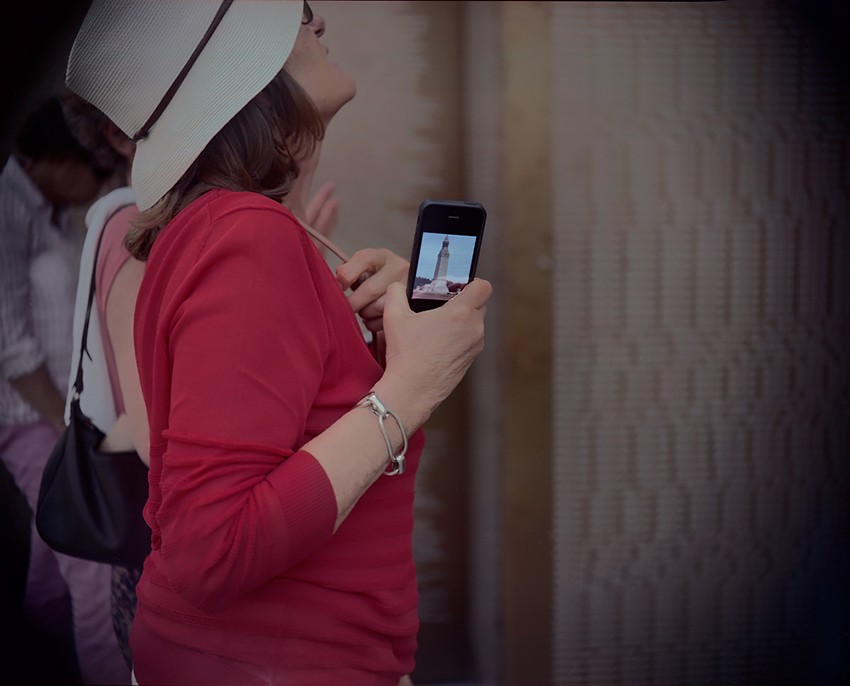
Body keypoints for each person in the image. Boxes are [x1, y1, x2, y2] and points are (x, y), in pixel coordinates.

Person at [66, 2, 492, 684]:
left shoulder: (239, 229)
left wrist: (386, 353)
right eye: (297, 14)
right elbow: (214, 552)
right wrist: (413, 389)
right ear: (247, 75)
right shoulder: (248, 238)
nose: (317, 23)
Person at [61, 89, 343, 672]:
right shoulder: (140, 231)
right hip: (164, 570)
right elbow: (154, 440)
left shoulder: (186, 225)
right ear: (123, 137)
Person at [0, 96, 130, 683]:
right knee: (93, 571)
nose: (100, 183)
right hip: (32, 419)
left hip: (56, 417)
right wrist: (67, 430)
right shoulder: (5, 207)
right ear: (61, 156)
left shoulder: (46, 216)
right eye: (98, 168)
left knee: (51, 577)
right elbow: (10, 345)